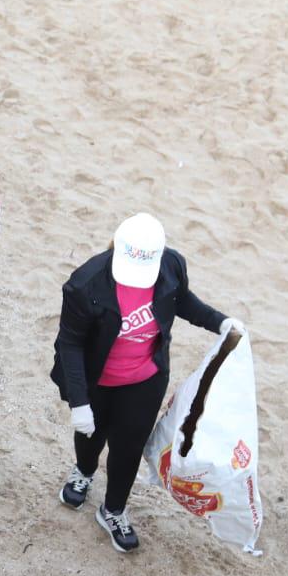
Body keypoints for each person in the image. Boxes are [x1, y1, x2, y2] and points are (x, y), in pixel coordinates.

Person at [50, 213, 245, 553]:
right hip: (99, 380)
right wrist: (79, 401)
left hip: (145, 380)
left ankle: (113, 510)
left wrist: (219, 322)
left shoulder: (171, 266)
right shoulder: (85, 284)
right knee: (90, 435)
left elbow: (182, 300)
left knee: (128, 448)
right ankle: (83, 471)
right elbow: (70, 343)